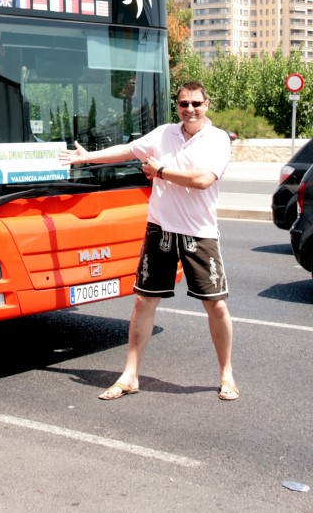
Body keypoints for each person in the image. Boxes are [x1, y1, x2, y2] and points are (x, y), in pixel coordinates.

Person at [60, 80, 238, 402]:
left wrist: (161, 171)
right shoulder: (163, 134)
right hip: (160, 229)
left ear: (206, 104)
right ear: (178, 106)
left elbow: (202, 180)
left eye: (196, 104)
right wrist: (86, 158)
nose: (190, 110)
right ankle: (130, 375)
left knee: (215, 305)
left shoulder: (217, 139)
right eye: (184, 104)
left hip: (200, 233)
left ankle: (226, 374)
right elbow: (128, 150)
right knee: (143, 301)